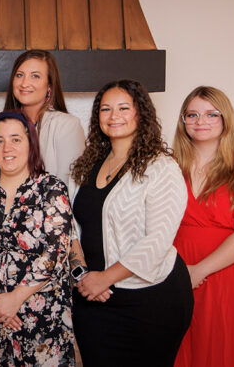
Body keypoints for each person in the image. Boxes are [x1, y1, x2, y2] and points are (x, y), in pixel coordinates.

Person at [68, 80, 193, 366]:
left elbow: (158, 240)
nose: (114, 116)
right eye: (106, 109)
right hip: (93, 298)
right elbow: (69, 226)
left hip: (152, 301)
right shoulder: (86, 165)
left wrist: (104, 278)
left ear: (141, 114)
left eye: (124, 108)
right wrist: (82, 275)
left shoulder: (161, 167)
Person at [0, 110, 74, 366]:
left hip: (41, 322)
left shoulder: (52, 189)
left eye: (15, 139)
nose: (7, 147)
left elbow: (55, 253)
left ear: (31, 143)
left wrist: (14, 300)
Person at [171, 86, 234, 367]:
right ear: (183, 122)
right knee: (181, 347)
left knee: (229, 351)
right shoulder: (169, 167)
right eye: (191, 114)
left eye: (210, 114)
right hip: (177, 271)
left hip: (230, 276)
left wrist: (198, 271)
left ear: (225, 119)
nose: (200, 121)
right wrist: (182, 273)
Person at [2, 49, 85, 185]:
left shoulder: (67, 125)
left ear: (49, 86)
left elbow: (71, 185)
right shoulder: (4, 125)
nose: (24, 83)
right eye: (19, 75)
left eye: (35, 76)